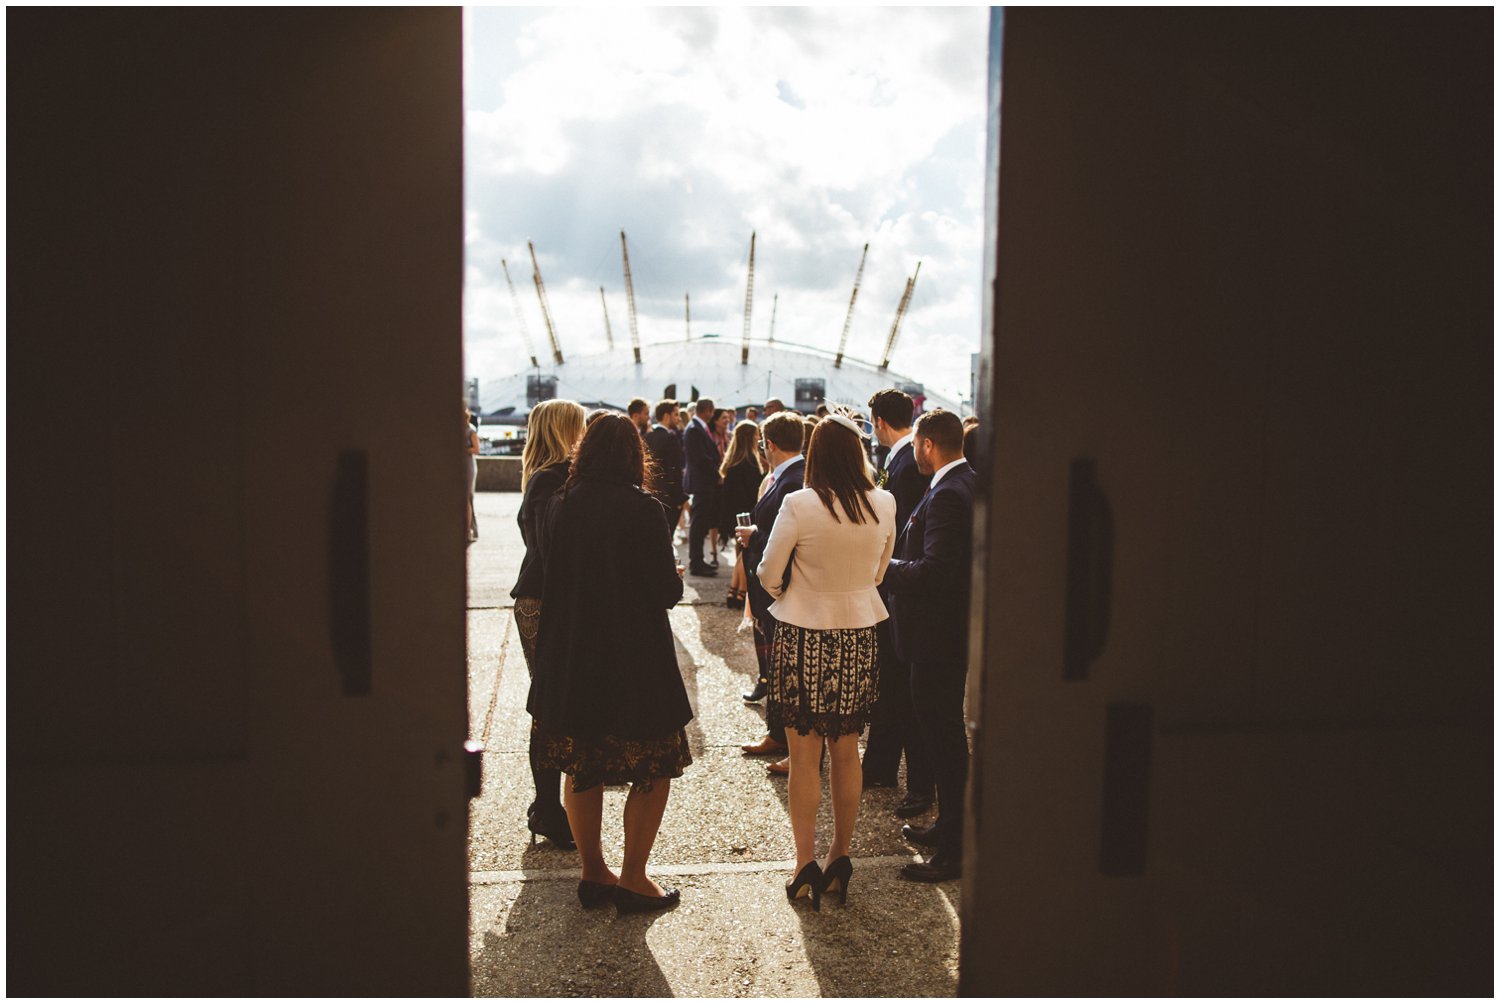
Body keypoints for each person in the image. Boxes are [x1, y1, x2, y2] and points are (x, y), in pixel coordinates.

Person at [530, 414, 694, 914]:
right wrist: (673, 572)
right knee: (652, 768)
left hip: (574, 655)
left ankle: (593, 872)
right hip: (632, 658)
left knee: (583, 768)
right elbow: (665, 591)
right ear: (632, 455)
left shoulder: (559, 505)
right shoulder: (642, 508)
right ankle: (635, 878)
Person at [755, 413, 896, 907]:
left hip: (803, 636)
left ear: (815, 454)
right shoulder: (883, 502)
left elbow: (768, 571)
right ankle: (840, 855)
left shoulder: (800, 503)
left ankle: (803, 863)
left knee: (804, 755)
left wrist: (791, 591)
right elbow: (880, 572)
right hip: (858, 634)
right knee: (846, 749)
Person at [881, 409, 977, 883]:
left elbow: (937, 570)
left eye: (917, 443)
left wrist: (884, 568)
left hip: (936, 637)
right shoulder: (961, 484)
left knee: (944, 738)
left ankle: (955, 850)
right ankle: (949, 826)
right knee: (945, 736)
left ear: (927, 444)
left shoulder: (948, 495)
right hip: (942, 635)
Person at [509, 398, 587, 851]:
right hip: (542, 601)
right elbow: (549, 546)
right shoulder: (550, 479)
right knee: (549, 701)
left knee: (554, 699)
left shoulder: (554, 476)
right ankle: (545, 806)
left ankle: (548, 805)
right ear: (565, 430)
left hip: (547, 599)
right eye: (580, 426)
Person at [860, 389, 937, 819]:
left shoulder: (906, 465)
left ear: (881, 422)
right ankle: (882, 766)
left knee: (899, 687)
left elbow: (903, 529)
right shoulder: (905, 460)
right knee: (891, 685)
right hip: (896, 587)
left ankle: (910, 781)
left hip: (900, 589)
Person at [735, 412, 806, 753]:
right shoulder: (788, 475)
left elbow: (788, 537)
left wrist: (755, 535)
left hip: (781, 588)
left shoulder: (792, 479)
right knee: (777, 662)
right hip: (772, 586)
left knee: (782, 663)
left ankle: (782, 736)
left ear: (770, 445)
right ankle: (777, 732)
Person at [718, 420, 766, 609]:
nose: (758, 439)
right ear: (749, 438)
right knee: (745, 554)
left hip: (733, 514)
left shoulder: (732, 462)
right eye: (756, 436)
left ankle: (734, 590)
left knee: (741, 553)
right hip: (747, 513)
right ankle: (740, 592)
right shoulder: (751, 463)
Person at [683, 397, 722, 576]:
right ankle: (696, 562)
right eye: (712, 411)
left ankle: (698, 560)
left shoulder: (697, 428)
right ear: (707, 410)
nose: (712, 415)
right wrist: (717, 475)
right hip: (702, 483)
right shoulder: (694, 429)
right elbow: (700, 459)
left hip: (703, 482)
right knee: (698, 524)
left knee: (700, 522)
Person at [643, 399, 686, 532]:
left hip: (650, 495)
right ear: (667, 416)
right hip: (669, 498)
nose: (679, 419)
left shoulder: (647, 437)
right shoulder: (671, 438)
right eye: (676, 415)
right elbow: (675, 472)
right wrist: (680, 499)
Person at [464, 401, 482, 543]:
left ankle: (469, 530)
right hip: (459, 464)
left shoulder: (471, 430)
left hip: (468, 464)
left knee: (468, 497)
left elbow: (476, 449)